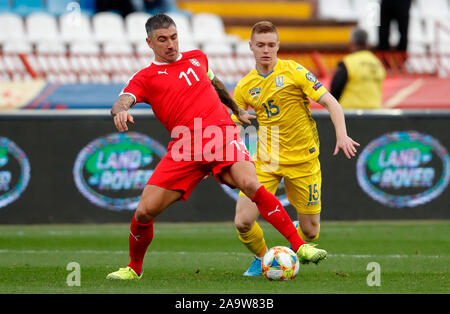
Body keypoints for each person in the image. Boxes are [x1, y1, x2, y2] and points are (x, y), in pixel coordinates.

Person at [106, 14, 327, 280]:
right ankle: (134, 268)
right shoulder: (145, 77)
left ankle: (299, 246)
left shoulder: (197, 57)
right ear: (149, 42)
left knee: (251, 184)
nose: (171, 45)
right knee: (144, 211)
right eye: (162, 40)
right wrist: (120, 111)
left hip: (220, 135)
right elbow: (122, 100)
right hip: (184, 147)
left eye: (174, 37)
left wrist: (235, 109)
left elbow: (216, 83)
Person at [231, 21, 360, 276]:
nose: (266, 50)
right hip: (266, 159)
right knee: (243, 222)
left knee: (311, 232)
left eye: (271, 45)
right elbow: (233, 126)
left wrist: (342, 135)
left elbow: (332, 103)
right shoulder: (245, 86)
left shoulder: (294, 72)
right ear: (251, 47)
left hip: (303, 160)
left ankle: (288, 246)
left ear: (278, 46)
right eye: (260, 45)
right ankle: (261, 258)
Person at [331, 27, 386, 109]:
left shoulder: (347, 62)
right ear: (368, 44)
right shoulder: (377, 63)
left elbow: (335, 89)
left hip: (350, 112)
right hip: (374, 111)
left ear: (351, 43)